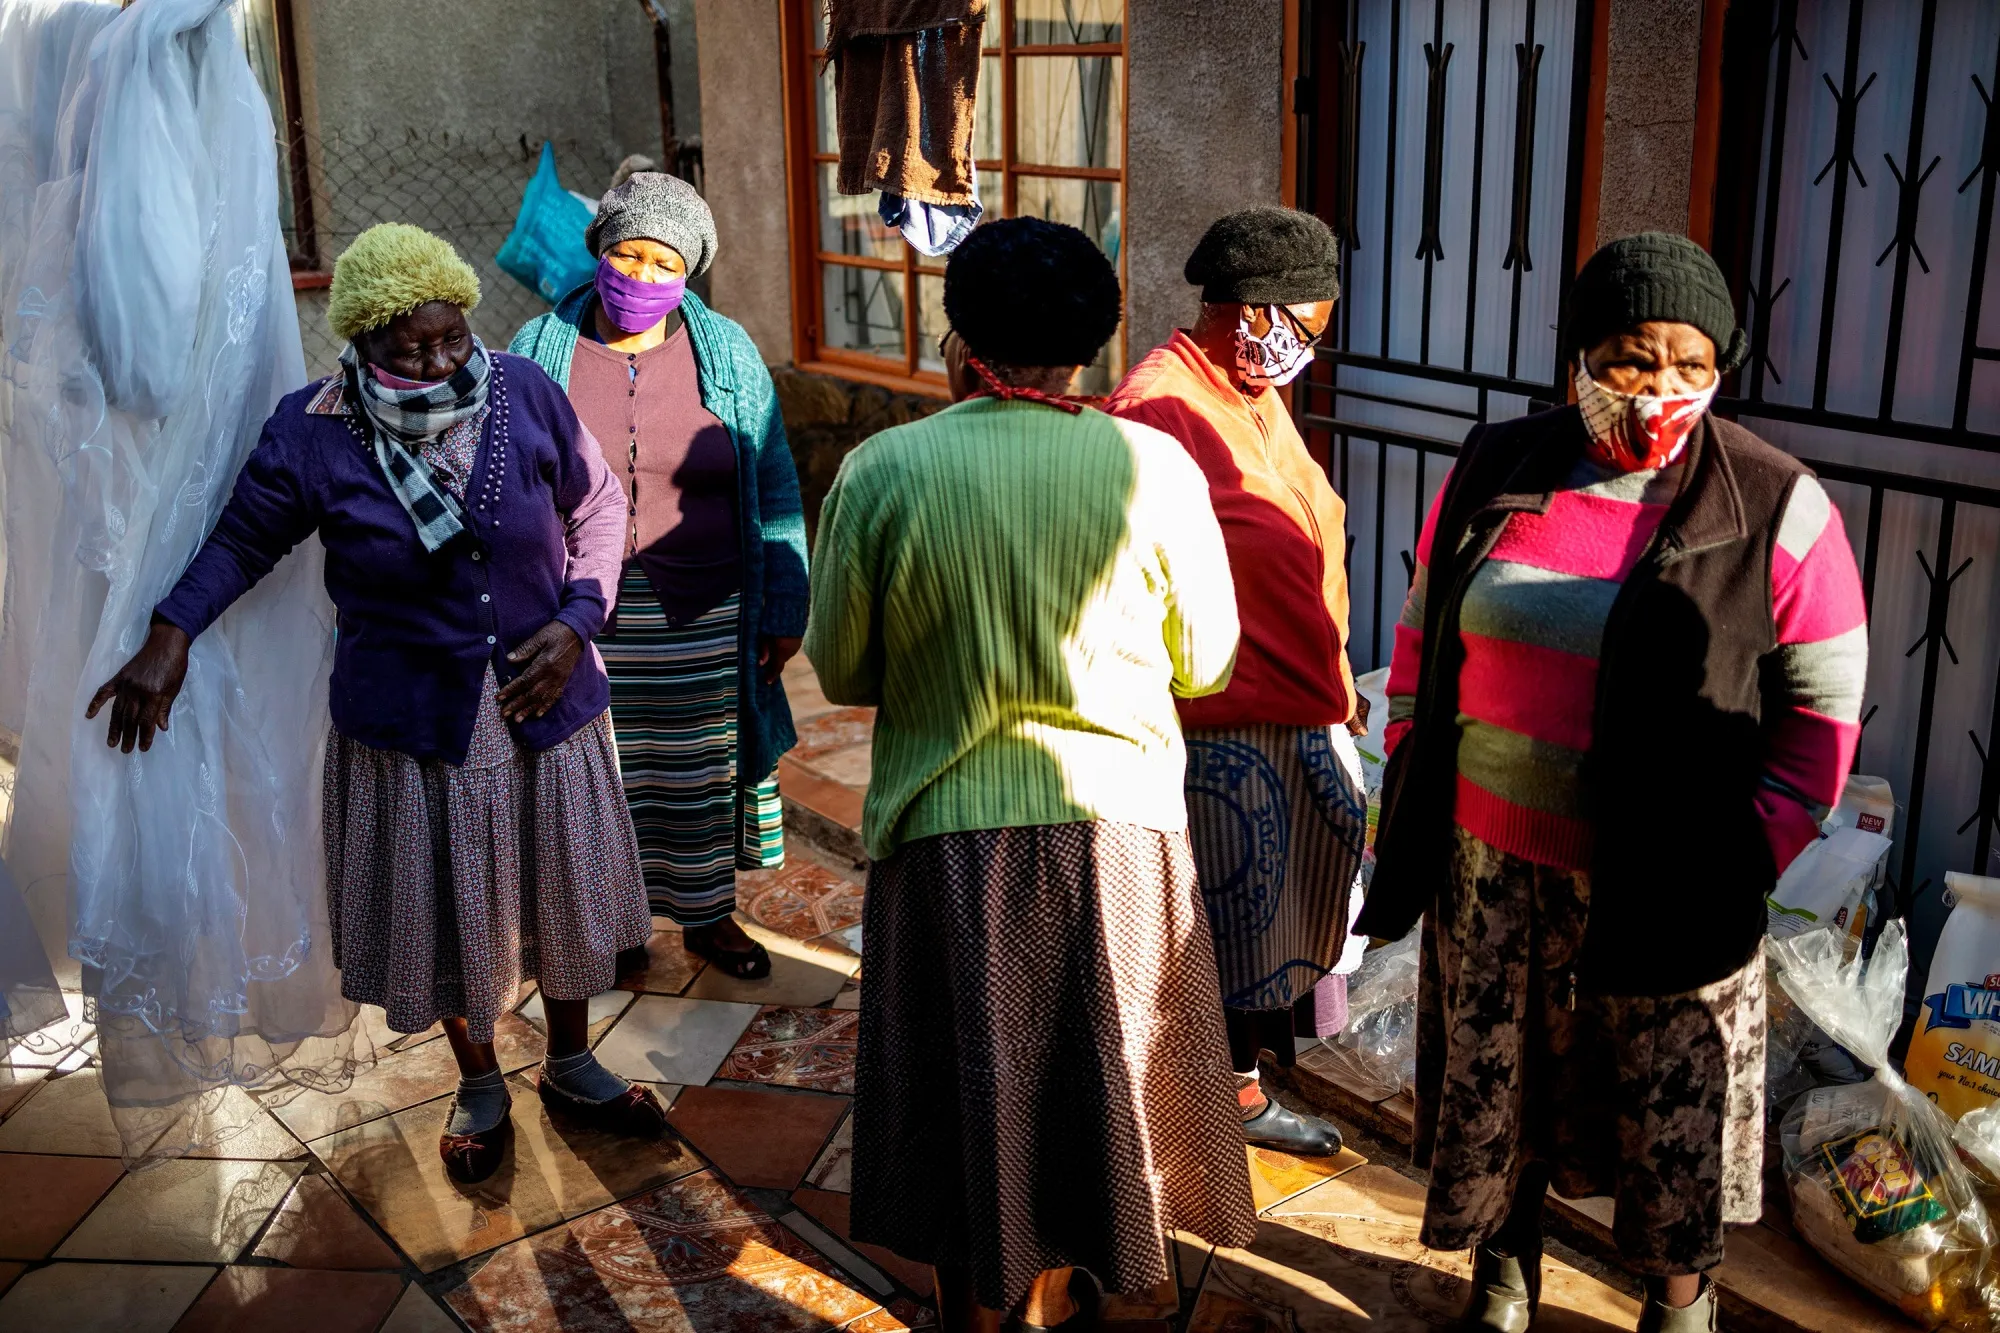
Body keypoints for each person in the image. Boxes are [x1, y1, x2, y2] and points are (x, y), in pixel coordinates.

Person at [88, 224, 670, 1184]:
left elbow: (599, 505)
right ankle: (478, 1080)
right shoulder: (312, 431)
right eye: (410, 348)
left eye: (450, 337)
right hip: (413, 728)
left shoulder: (523, 391)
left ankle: (571, 1062)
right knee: (445, 908)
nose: (440, 360)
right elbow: (242, 542)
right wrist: (170, 631)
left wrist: (577, 621)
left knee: (565, 892)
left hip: (546, 702)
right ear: (359, 341)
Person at [1362, 233, 1868, 1332]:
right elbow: (1421, 635)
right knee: (1504, 1100)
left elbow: (1820, 716)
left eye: (1690, 365)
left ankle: (1677, 1305)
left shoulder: (1772, 504)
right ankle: (1503, 1271)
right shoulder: (1499, 464)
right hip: (1488, 871)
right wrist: (1409, 749)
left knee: (1663, 1118)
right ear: (1579, 357)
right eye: (1633, 360)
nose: (1658, 390)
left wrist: (1745, 851)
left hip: (1665, 885)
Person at [805, 217, 1257, 1332]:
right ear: (1089, 345)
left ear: (962, 344)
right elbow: (1206, 660)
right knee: (1103, 1083)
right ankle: (1090, 1282)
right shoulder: (1154, 465)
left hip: (947, 837)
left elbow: (845, 661)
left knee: (972, 1090)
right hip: (1121, 837)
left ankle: (978, 1305)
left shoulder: (883, 468)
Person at [1106, 207, 1363, 1159]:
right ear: (1251, 312)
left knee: (1262, 936)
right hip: (1220, 726)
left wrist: (1336, 671)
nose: (1307, 351)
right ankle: (1210, 1107)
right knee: (1218, 936)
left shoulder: (1252, 393)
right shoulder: (1162, 410)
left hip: (1290, 703)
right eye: (1304, 327)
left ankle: (1237, 1086)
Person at [512, 172, 808, 980]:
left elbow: (774, 480)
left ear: (688, 273)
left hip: (706, 609)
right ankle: (613, 922)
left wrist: (785, 603)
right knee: (605, 770)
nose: (640, 276)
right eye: (626, 254)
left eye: (660, 262)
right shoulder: (539, 350)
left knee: (698, 770)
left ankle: (710, 917)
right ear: (598, 252)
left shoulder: (731, 355)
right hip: (583, 612)